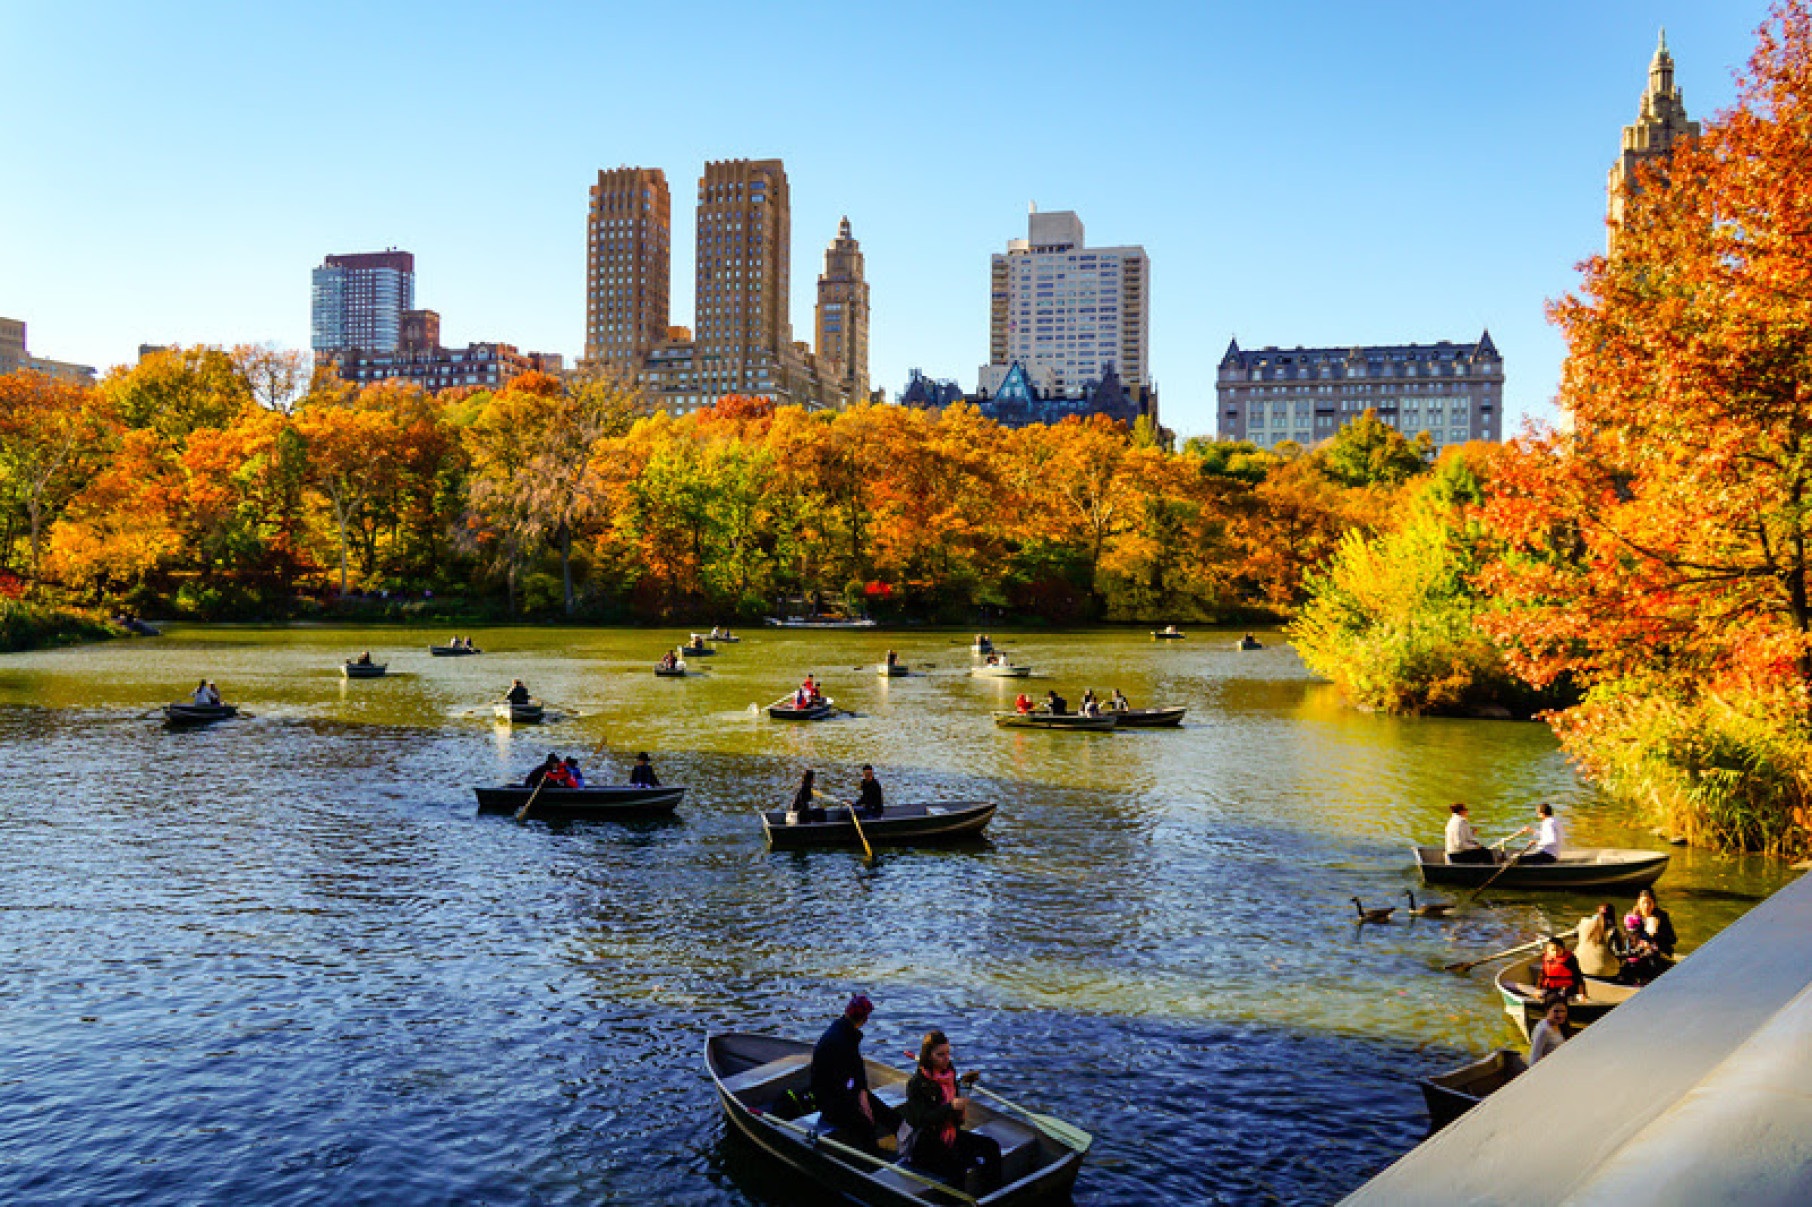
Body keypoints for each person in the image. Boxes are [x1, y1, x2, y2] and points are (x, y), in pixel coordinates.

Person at [904, 1030, 1003, 1193]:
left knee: (991, 1147)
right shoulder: (916, 1084)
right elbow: (919, 1119)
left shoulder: (949, 1075)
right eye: (940, 1054)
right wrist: (950, 1107)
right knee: (958, 1165)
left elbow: (956, 1117)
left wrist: (965, 1088)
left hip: (949, 1133)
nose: (946, 1058)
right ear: (928, 1056)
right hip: (925, 1144)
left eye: (948, 1053)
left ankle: (994, 1195)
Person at [810, 994, 901, 1158]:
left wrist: (863, 1093)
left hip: (846, 1092)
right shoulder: (839, 1041)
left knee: (886, 1113)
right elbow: (838, 1084)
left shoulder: (846, 1033)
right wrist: (859, 1103)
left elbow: (857, 1070)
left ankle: (904, 1142)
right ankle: (873, 1158)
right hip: (831, 1101)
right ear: (864, 1019)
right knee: (865, 1124)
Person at [1575, 903, 1624, 979]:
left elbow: (1574, 934)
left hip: (1579, 968)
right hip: (1605, 973)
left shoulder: (1583, 923)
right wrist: (1637, 952)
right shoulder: (1613, 931)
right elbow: (1618, 953)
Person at [1536, 936, 1587, 1002]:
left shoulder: (1569, 960)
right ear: (1548, 950)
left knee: (1562, 995)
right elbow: (1542, 975)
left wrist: (1581, 994)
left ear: (1563, 949)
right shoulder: (1546, 958)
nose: (1555, 952)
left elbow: (1578, 977)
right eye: (1553, 950)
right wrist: (1538, 989)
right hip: (1550, 987)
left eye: (1558, 950)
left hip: (1566, 987)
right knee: (1543, 995)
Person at [1528, 995, 1571, 1065]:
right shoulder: (1543, 1030)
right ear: (1547, 1010)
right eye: (1556, 1011)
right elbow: (1534, 1059)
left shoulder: (1560, 1025)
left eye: (1563, 1011)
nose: (1560, 1015)